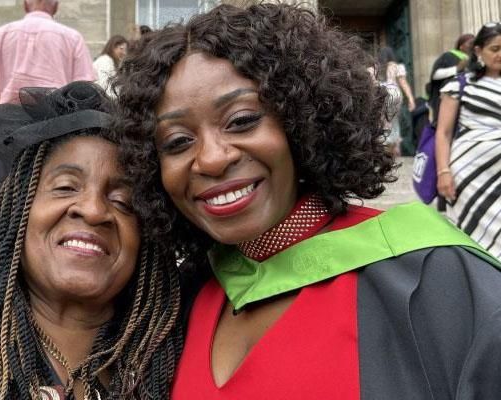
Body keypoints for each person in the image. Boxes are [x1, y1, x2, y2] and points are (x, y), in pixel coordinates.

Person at [117, 3, 501, 398]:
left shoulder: (434, 278)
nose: (213, 159)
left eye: (242, 120)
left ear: (301, 120)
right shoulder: (179, 302)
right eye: (178, 142)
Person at [0, 81, 182, 399]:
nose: (92, 211)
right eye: (65, 186)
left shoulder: (176, 362)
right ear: (16, 209)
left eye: (123, 201)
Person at [0, 0, 97, 215]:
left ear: (26, 3)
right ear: (56, 5)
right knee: (51, 206)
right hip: (57, 136)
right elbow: (85, 95)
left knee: (4, 209)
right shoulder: (72, 38)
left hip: (8, 135)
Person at [435, 23, 501, 258]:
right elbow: (442, 132)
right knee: (474, 241)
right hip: (469, 177)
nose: (500, 54)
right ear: (478, 51)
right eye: (495, 48)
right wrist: (443, 172)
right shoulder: (460, 84)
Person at [427, 33, 474, 127]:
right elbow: (435, 75)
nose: (472, 46)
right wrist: (457, 68)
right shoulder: (448, 56)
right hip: (451, 100)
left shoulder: (475, 60)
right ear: (461, 46)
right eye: (470, 43)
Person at [377, 46, 416, 155]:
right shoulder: (397, 67)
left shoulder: (376, 67)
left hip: (380, 94)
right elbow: (403, 83)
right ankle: (395, 147)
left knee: (381, 121)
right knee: (393, 121)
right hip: (394, 94)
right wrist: (411, 99)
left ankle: (384, 145)